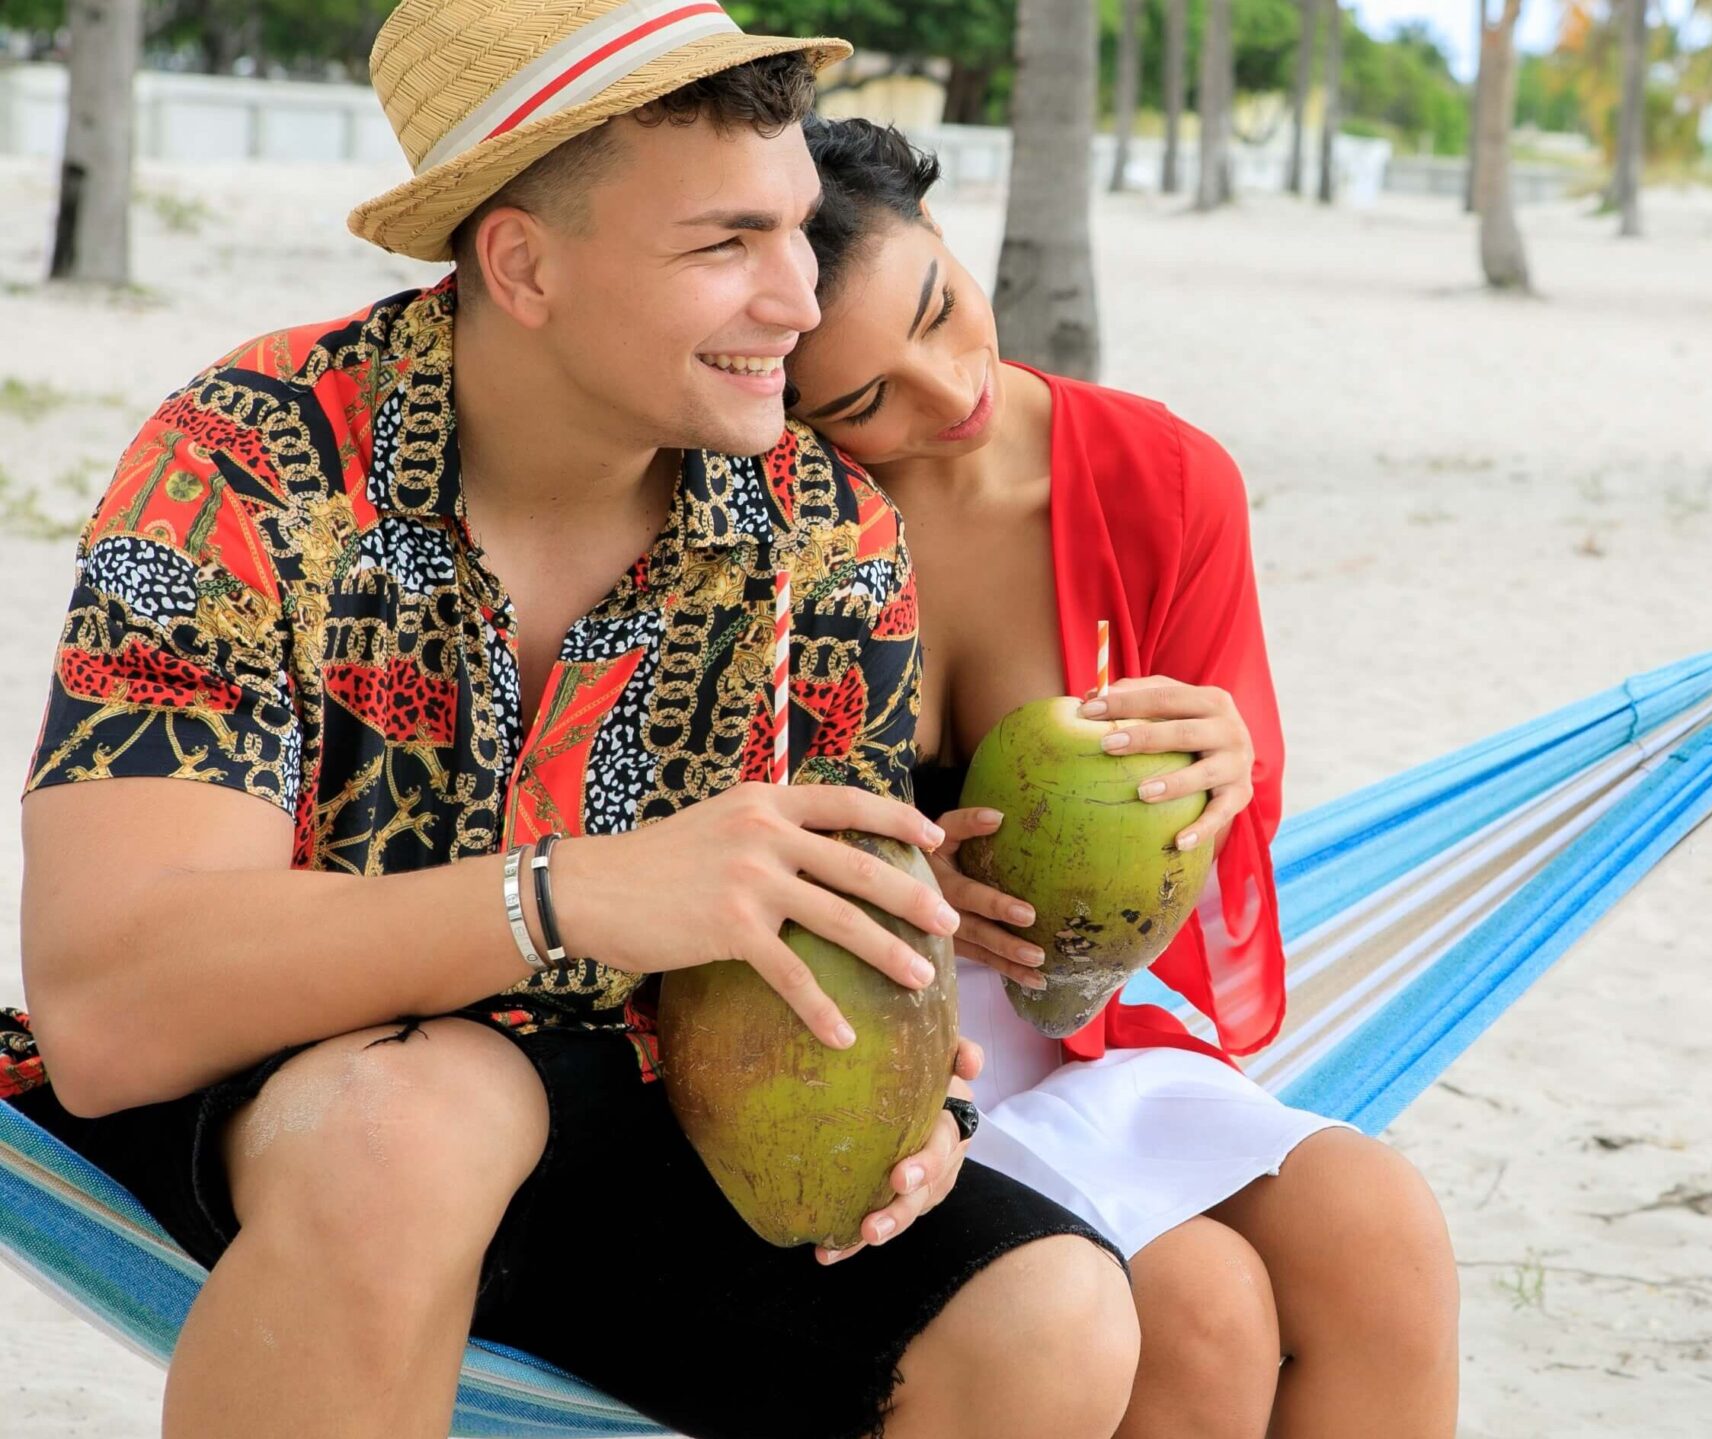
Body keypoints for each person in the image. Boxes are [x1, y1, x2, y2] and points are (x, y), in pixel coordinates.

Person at [0, 5, 1135, 1436]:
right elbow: (106, 1007)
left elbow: (850, 932)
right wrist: (570, 897)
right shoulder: (248, 460)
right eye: (725, 244)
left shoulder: (827, 531)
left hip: (632, 1099)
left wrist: (911, 1105)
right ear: (522, 264)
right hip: (273, 1093)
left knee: (1051, 1313)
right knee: (425, 1123)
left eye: (795, 227)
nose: (797, 296)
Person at [782, 118, 1461, 1439]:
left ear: (946, 235)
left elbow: (1225, 858)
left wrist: (1225, 767)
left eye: (941, 307)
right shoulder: (757, 514)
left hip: (1090, 1013)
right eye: (862, 402)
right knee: (1204, 1310)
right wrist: (887, 874)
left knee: (1384, 1232)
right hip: (879, 1046)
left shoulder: (1164, 482)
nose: (946, 388)